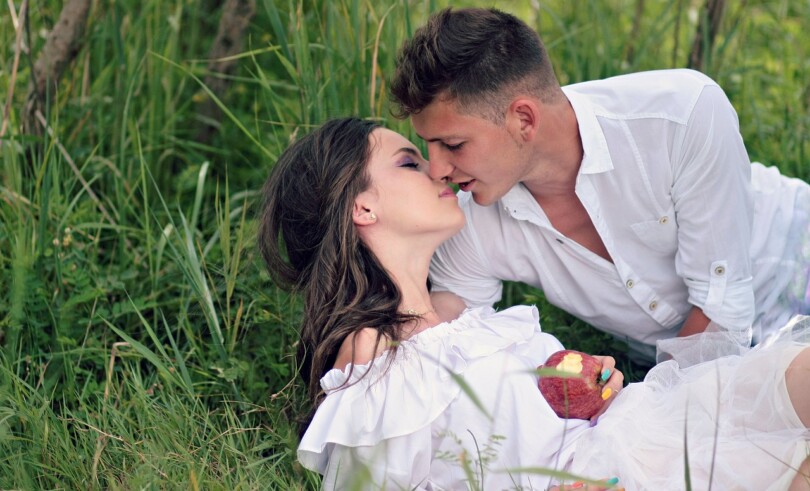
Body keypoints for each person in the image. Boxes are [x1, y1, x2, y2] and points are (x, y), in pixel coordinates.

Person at [258, 117, 810, 490]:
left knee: (790, 378)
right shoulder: (368, 347)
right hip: (606, 473)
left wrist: (592, 387)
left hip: (640, 419)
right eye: (407, 162)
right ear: (362, 209)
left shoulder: (461, 312)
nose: (435, 169)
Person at [389, 7, 810, 362]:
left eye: (453, 144)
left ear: (523, 119)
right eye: (430, 146)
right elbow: (448, 336)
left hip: (797, 262)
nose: (436, 169)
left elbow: (723, 323)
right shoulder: (469, 220)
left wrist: (640, 413)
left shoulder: (680, 116)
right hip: (702, 363)